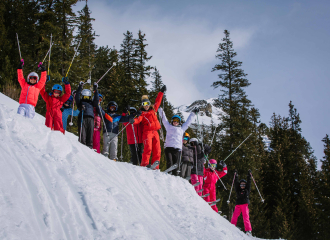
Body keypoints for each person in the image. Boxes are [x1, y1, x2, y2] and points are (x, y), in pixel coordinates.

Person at [132, 86, 166, 169]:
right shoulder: (142, 114)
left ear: (149, 104)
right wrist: (133, 120)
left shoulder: (154, 109)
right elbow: (138, 120)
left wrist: (161, 92)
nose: (146, 106)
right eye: (144, 104)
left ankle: (155, 166)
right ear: (142, 105)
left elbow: (158, 101)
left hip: (155, 132)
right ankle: (144, 164)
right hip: (147, 132)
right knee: (148, 148)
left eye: (147, 104)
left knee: (157, 150)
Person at [158, 107, 197, 175]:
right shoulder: (168, 126)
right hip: (168, 148)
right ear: (172, 121)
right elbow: (164, 118)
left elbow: (188, 122)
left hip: (177, 149)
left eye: (177, 121)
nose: (175, 122)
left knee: (176, 164)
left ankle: (175, 175)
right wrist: (160, 109)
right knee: (169, 161)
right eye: (174, 120)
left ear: (179, 122)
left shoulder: (182, 128)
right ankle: (169, 173)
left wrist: (193, 113)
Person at [75, 82, 99, 148]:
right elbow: (77, 97)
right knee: (83, 134)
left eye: (87, 97)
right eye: (84, 97)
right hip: (83, 118)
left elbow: (96, 100)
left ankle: (89, 147)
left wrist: (95, 90)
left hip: (91, 118)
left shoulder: (91, 103)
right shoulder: (80, 102)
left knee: (90, 133)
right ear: (82, 96)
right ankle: (82, 146)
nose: (86, 98)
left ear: (90, 97)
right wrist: (80, 87)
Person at [230, 169, 252, 236]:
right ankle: (232, 226)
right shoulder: (238, 190)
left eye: (244, 184)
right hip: (238, 204)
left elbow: (249, 182)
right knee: (234, 216)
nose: (242, 186)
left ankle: (248, 230)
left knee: (245, 217)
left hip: (245, 204)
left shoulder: (247, 190)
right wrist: (236, 175)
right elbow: (236, 183)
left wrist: (249, 175)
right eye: (241, 184)